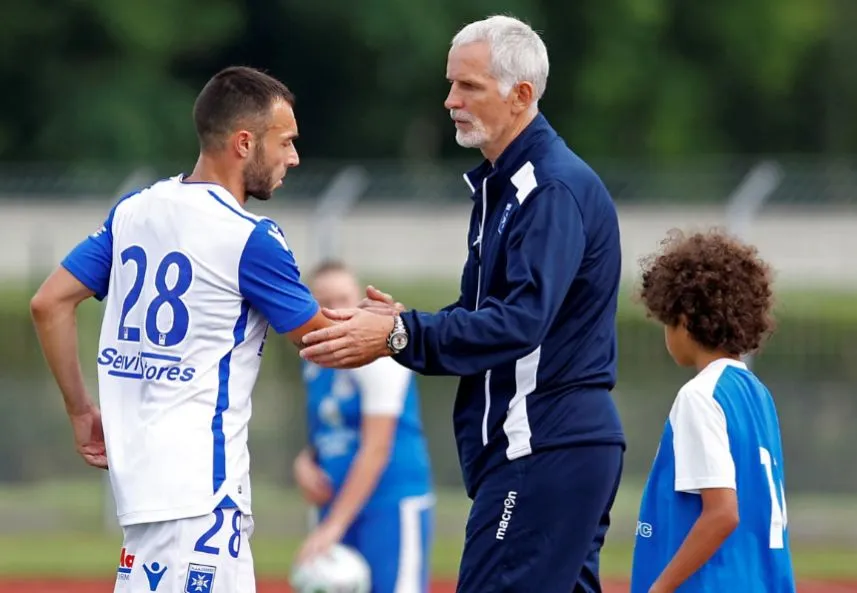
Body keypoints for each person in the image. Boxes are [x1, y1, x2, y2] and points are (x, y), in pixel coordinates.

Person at [300, 15, 626, 593]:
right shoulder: (505, 185)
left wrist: (401, 335)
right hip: (544, 448)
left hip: (541, 446)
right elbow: (483, 314)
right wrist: (399, 326)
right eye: (451, 84)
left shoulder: (547, 189)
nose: (450, 100)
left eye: (469, 86)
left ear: (521, 95)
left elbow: (521, 322)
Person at [29, 66, 335, 593]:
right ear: (244, 142)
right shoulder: (251, 238)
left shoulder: (134, 211)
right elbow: (320, 339)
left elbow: (48, 303)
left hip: (144, 490)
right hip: (202, 496)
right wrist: (399, 331)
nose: (293, 157)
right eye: (285, 142)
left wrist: (81, 411)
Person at [630, 229, 796, 593]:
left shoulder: (701, 396)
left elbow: (722, 512)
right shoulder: (757, 394)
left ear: (685, 321)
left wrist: (659, 588)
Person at [292, 260, 435, 593]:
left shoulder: (379, 357)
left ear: (358, 298)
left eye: (343, 298)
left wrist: (332, 528)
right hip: (336, 503)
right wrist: (304, 462)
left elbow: (376, 448)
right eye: (324, 301)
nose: (335, 309)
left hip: (389, 504)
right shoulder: (315, 361)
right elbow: (328, 432)